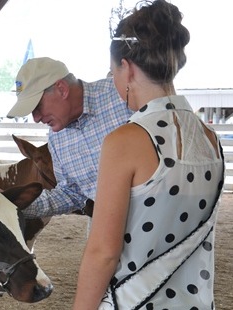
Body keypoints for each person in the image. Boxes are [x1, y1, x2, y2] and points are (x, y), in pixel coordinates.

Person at [72, 1, 224, 309]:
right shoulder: (210, 139)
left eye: (112, 70)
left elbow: (103, 253)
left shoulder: (125, 141)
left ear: (126, 68)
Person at [6, 57, 133, 217]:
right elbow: (71, 193)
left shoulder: (122, 95)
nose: (36, 118)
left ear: (62, 89)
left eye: (37, 107)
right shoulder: (57, 140)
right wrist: (12, 205)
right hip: (107, 231)